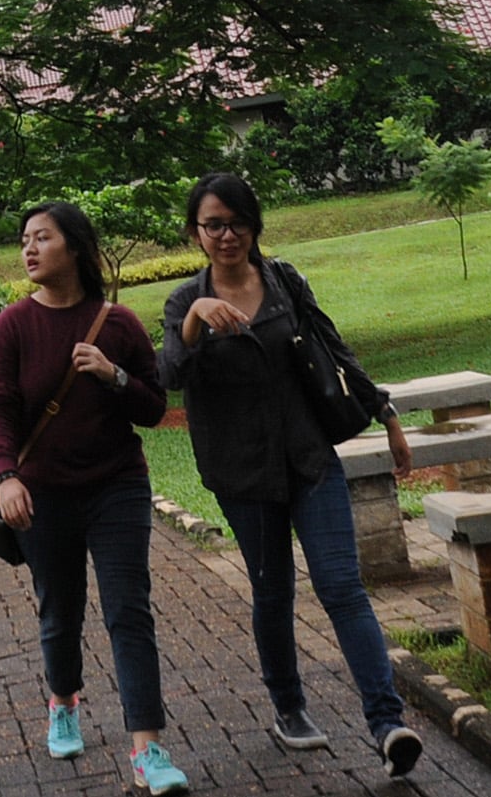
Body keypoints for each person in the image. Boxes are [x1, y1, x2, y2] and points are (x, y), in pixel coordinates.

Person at [157, 172, 427, 779]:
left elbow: (332, 346)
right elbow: (170, 374)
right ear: (196, 232)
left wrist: (384, 412)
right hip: (241, 470)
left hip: (307, 458)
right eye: (213, 224)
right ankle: (289, 707)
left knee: (341, 585)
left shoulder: (283, 281)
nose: (227, 235)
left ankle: (387, 723)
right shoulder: (183, 301)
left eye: (238, 222)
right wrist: (198, 317)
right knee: (273, 589)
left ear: (254, 225)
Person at [0, 201, 188, 794]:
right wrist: (5, 476)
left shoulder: (115, 324)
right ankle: (63, 700)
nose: (28, 249)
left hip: (116, 485)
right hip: (42, 493)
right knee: (61, 607)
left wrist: (112, 374)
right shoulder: (11, 327)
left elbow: (153, 407)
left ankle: (148, 748)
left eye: (42, 238)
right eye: (25, 239)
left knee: (129, 609)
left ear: (74, 247)